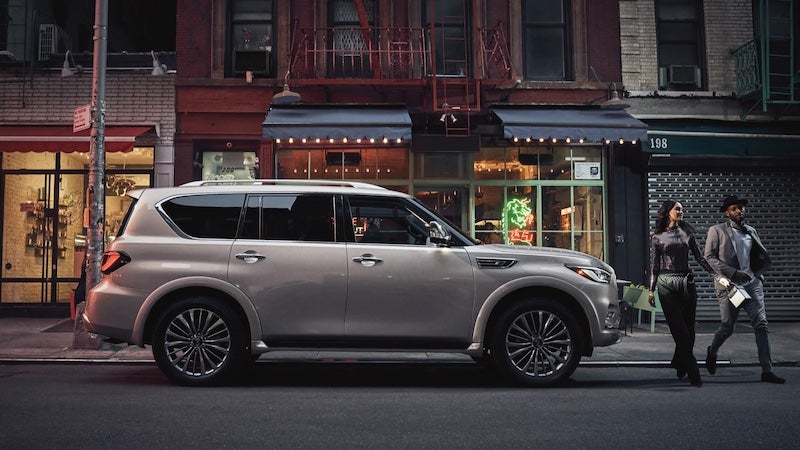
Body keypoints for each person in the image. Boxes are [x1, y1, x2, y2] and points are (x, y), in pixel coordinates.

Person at [704, 194, 785, 384]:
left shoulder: (751, 231)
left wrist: (759, 274)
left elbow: (758, 255)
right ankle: (712, 351)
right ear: (727, 212)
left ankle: (767, 370)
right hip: (731, 286)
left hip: (752, 285)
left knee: (761, 325)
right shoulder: (716, 230)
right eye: (734, 208)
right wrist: (734, 272)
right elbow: (709, 258)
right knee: (727, 327)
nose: (739, 211)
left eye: (741, 208)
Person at [649, 199, 716, 387]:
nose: (681, 212)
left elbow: (700, 257)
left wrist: (717, 276)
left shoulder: (688, 233)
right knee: (680, 331)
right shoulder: (657, 237)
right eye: (677, 209)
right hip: (666, 284)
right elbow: (655, 265)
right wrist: (651, 290)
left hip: (687, 283)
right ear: (668, 212)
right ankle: (694, 373)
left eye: (682, 209)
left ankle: (680, 363)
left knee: (690, 330)